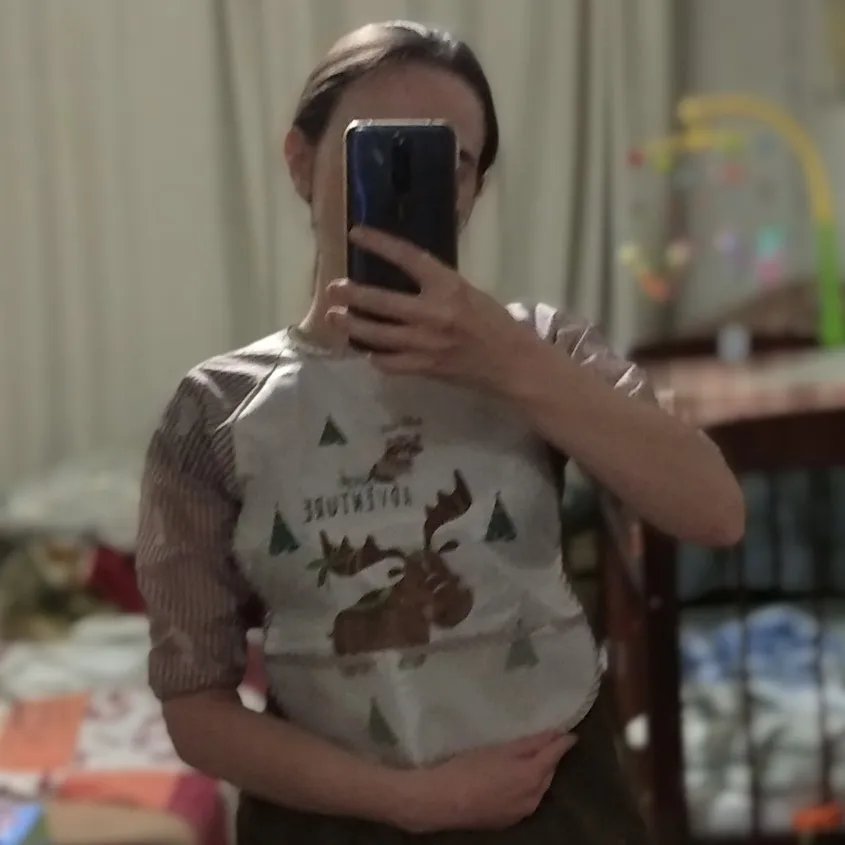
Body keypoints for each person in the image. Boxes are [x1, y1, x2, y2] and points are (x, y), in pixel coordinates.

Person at [136, 20, 745, 844]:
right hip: (327, 819)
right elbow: (194, 705)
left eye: (448, 160)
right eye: (374, 147)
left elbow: (714, 510)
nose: (409, 178)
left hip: (553, 802)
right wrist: (412, 800)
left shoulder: (544, 347)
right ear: (299, 160)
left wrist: (507, 360)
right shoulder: (214, 409)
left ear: (470, 193)